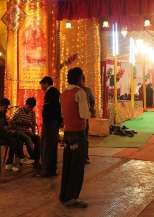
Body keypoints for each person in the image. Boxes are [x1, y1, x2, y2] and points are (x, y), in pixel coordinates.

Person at [59, 67, 90, 208]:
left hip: (68, 133)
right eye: (83, 78)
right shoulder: (80, 93)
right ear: (79, 79)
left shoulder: (64, 93)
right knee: (77, 166)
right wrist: (89, 113)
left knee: (68, 163)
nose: (83, 81)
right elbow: (84, 114)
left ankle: (64, 194)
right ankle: (72, 197)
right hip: (78, 133)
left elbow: (62, 114)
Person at [36, 76, 62, 178]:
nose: (42, 88)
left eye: (42, 85)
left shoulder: (50, 93)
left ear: (46, 83)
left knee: (46, 146)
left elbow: (49, 110)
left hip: (50, 122)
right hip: (55, 122)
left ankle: (45, 170)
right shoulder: (56, 92)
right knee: (52, 146)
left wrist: (46, 122)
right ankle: (52, 169)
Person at [0, 98, 23, 171]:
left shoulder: (2, 114)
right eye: (5, 108)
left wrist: (11, 127)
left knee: (17, 136)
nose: (6, 110)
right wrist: (6, 128)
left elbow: (6, 124)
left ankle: (17, 159)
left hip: (3, 135)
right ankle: (18, 159)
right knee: (14, 140)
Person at [9, 97, 39, 167]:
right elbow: (10, 121)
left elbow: (33, 125)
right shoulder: (19, 110)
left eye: (31, 107)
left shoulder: (32, 113)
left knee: (37, 138)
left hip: (27, 131)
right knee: (28, 138)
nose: (29, 109)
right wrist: (19, 122)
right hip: (18, 130)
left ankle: (36, 158)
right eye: (28, 106)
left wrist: (30, 125)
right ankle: (34, 159)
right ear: (26, 104)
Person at [80, 79, 95, 164]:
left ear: (83, 81)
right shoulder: (75, 91)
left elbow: (92, 101)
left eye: (81, 80)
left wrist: (92, 110)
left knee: (85, 137)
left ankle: (85, 156)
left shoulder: (87, 90)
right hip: (77, 117)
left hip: (85, 117)